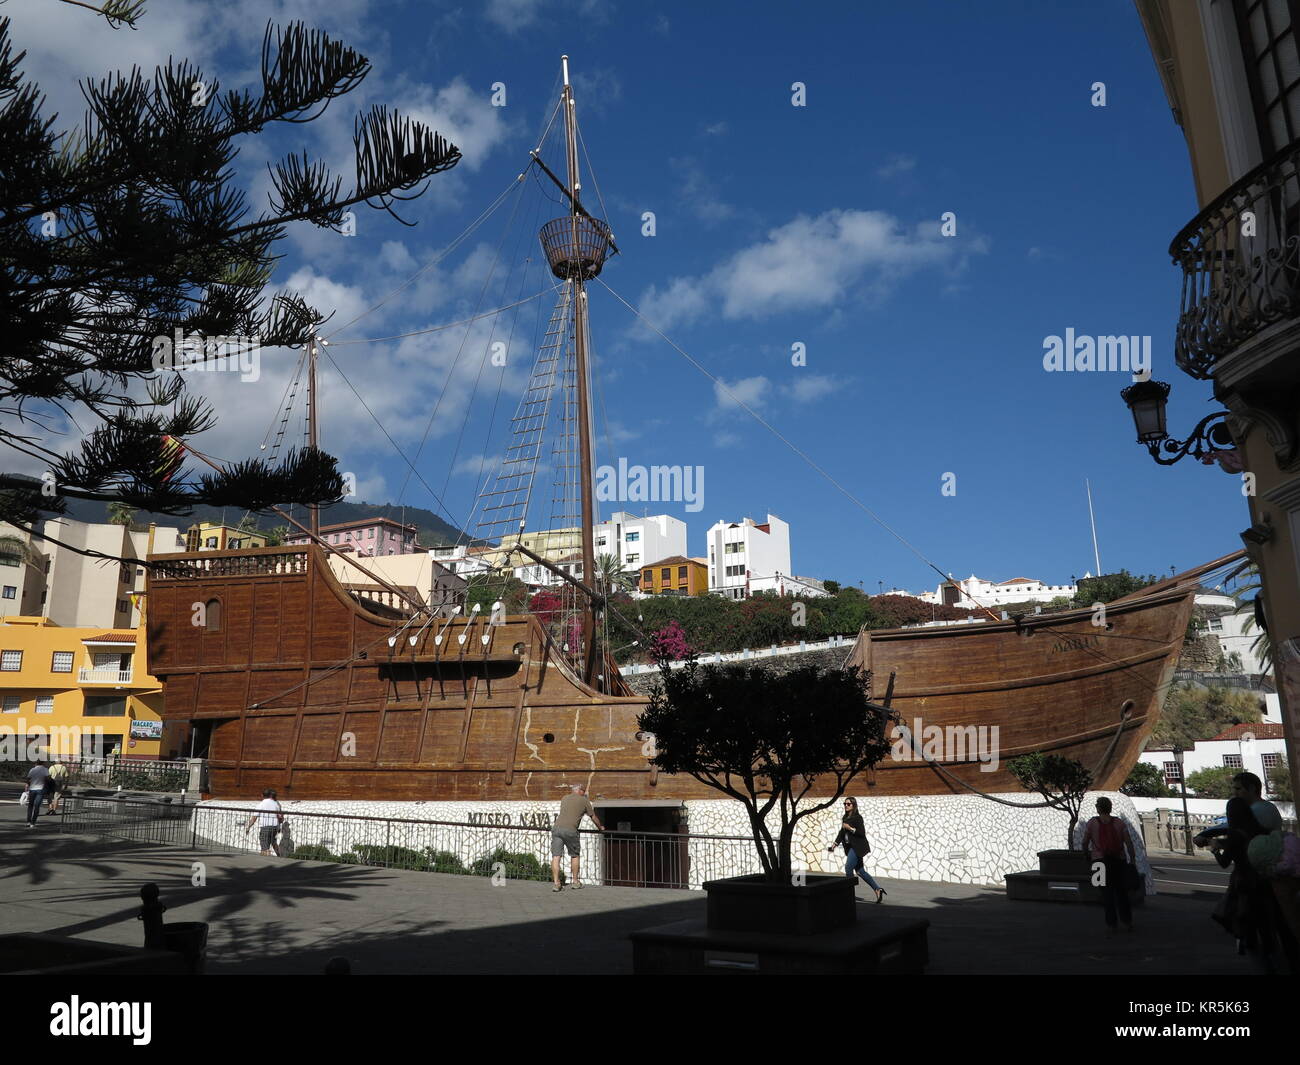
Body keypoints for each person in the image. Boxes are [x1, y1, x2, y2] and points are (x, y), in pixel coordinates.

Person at [1082, 797, 1137, 933]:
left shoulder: (1092, 823)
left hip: (1099, 862)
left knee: (1105, 894)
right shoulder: (1119, 823)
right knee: (1121, 892)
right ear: (1110, 808)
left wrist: (1086, 855)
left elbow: (1084, 842)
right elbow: (1128, 843)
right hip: (1119, 861)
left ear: (1098, 808)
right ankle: (1127, 922)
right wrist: (1132, 860)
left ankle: (1111, 924)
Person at [828, 796, 885, 902]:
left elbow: (861, 833)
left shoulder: (858, 818)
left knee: (848, 868)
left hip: (857, 847)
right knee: (860, 871)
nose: (846, 806)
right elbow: (841, 833)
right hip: (850, 847)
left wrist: (850, 828)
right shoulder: (845, 818)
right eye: (845, 804)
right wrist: (834, 844)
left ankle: (849, 894)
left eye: (848, 804)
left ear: (853, 805)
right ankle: (878, 889)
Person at [551, 784, 604, 892]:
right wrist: (601, 827)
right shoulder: (584, 801)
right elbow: (593, 816)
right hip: (570, 830)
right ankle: (575, 882)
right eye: (583, 791)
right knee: (574, 855)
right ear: (580, 791)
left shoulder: (564, 798)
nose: (584, 793)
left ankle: (556, 883)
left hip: (556, 829)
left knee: (556, 856)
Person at [244, 788, 284, 856]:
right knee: (273, 841)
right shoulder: (276, 804)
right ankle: (280, 856)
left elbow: (254, 818)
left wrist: (248, 827)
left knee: (264, 845)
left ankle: (266, 857)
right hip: (275, 827)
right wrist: (279, 826)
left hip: (265, 826)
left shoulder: (261, 804)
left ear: (262, 795)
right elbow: (280, 818)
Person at [24, 760, 49, 827]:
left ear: (36, 763)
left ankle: (28, 822)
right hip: (40, 788)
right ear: (43, 763)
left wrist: (27, 785)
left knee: (30, 806)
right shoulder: (45, 769)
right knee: (37, 806)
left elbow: (28, 779)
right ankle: (33, 822)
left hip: (32, 788)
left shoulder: (32, 769)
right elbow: (47, 778)